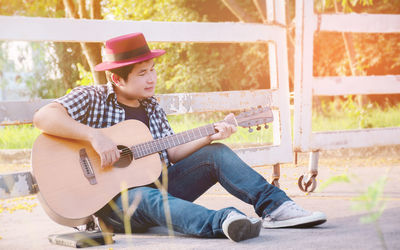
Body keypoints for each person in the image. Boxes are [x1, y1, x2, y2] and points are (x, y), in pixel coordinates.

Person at [33, 32, 326, 242]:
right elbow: (44, 117)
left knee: (217, 153)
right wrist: (95, 137)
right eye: (142, 73)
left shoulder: (152, 107)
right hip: (114, 206)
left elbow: (170, 153)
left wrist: (211, 133)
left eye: (153, 70)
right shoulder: (93, 97)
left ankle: (276, 208)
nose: (151, 79)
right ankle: (224, 221)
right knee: (147, 197)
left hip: (160, 188)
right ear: (116, 78)